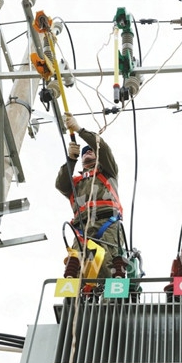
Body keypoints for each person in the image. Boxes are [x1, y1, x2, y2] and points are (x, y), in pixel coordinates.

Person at [55, 113, 123, 280]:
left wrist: (79, 130)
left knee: (106, 261)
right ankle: (77, 295)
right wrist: (71, 160)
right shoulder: (76, 182)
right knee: (76, 265)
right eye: (84, 153)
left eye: (91, 151)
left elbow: (102, 148)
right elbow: (61, 184)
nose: (87, 153)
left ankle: (109, 295)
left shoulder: (108, 172)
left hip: (107, 222)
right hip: (81, 227)